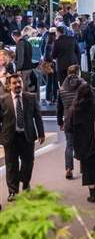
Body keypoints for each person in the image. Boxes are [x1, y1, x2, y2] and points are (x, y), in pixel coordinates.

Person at [0, 73, 45, 201]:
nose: (18, 85)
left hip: (27, 136)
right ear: (9, 85)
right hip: (10, 138)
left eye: (19, 82)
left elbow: (38, 116)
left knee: (28, 163)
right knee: (11, 165)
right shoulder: (2, 100)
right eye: (14, 83)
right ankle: (13, 191)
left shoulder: (30, 97)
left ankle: (25, 184)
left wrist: (41, 133)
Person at [65, 82, 95, 203]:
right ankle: (94, 189)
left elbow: (68, 127)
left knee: (87, 167)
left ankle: (92, 192)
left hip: (81, 143)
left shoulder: (75, 109)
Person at [57, 64, 84, 180]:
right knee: (83, 144)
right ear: (78, 73)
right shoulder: (83, 86)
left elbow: (59, 108)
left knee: (69, 145)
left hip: (68, 119)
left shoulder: (62, 89)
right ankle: (84, 168)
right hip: (82, 120)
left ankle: (69, 169)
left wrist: (60, 122)